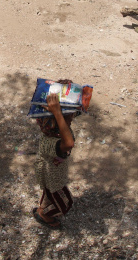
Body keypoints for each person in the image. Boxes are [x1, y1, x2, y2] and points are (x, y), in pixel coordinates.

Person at [33, 92, 77, 229]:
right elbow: (69, 143)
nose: (72, 118)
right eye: (67, 118)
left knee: (49, 195)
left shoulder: (57, 130)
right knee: (66, 203)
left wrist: (63, 88)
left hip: (55, 173)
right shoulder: (50, 142)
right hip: (52, 176)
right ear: (57, 123)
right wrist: (58, 112)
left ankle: (43, 207)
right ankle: (43, 214)